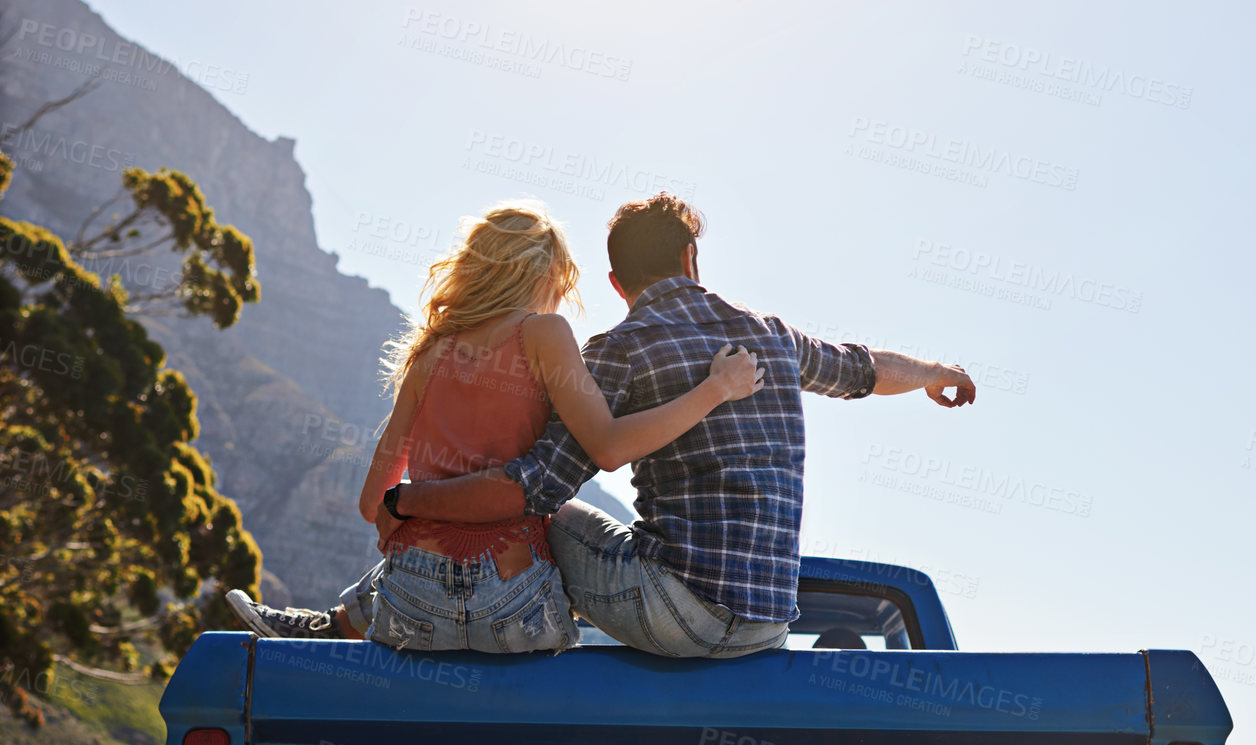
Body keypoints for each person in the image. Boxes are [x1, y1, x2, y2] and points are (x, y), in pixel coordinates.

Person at [233, 193, 975, 656]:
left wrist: (408, 503)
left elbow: (530, 489)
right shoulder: (773, 337)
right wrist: (937, 373)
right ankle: (347, 618)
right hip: (766, 622)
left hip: (675, 617)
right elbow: (863, 367)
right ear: (693, 257)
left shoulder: (612, 352)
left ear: (617, 285)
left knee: (553, 514)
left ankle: (343, 621)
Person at [227, 202, 761, 652]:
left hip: (412, 601)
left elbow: (373, 505)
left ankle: (331, 624)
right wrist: (715, 389)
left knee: (429, 529)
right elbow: (607, 446)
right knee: (558, 512)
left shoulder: (428, 353)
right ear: (547, 274)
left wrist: (412, 504)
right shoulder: (545, 334)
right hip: (512, 601)